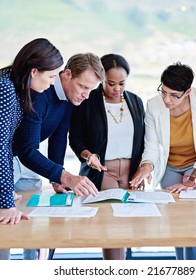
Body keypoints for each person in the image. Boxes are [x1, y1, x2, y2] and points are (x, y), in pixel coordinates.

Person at [12, 52, 105, 260]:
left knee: (31, 224)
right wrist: (66, 176)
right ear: (67, 74)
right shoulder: (40, 91)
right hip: (10, 159)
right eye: (83, 86)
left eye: (91, 89)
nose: (86, 95)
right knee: (6, 223)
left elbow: (59, 136)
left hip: (29, 162)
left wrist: (56, 178)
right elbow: (27, 149)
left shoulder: (69, 99)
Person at [130, 62, 196, 260]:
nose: (166, 99)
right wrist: (146, 168)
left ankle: (194, 268)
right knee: (176, 224)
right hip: (170, 167)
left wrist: (193, 178)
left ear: (187, 91)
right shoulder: (153, 105)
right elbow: (152, 147)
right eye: (163, 92)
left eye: (174, 95)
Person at [69, 53, 145, 260]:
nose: (117, 89)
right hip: (102, 172)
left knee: (129, 223)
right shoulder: (88, 101)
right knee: (113, 224)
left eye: (122, 83)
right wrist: (88, 155)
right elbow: (75, 139)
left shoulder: (136, 102)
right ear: (101, 79)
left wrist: (143, 169)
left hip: (131, 172)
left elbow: (145, 139)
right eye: (111, 83)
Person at [0, 38, 63, 260]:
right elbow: (0, 148)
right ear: (35, 71)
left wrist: (5, 193)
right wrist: (5, 202)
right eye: (51, 76)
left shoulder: (14, 85)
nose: (52, 82)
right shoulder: (5, 89)